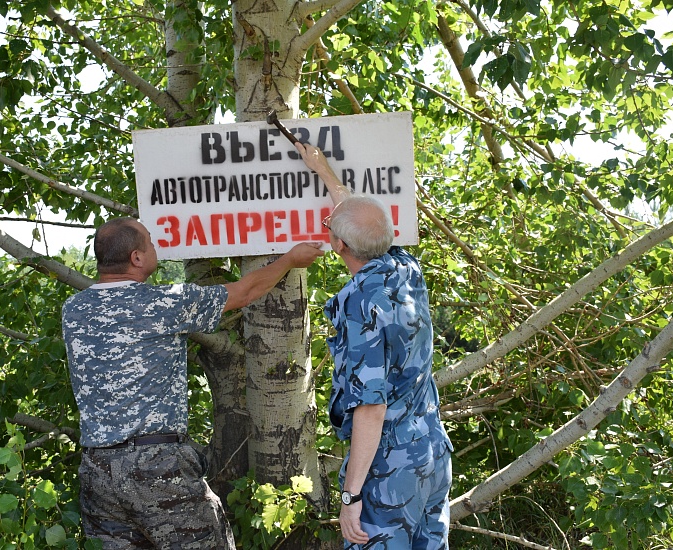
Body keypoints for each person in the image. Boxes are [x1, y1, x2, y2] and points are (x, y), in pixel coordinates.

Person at [61, 217, 324, 550]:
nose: (157, 247)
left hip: (98, 471)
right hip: (158, 465)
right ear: (137, 258)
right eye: (151, 243)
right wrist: (290, 260)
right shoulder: (164, 303)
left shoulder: (74, 309)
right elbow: (245, 292)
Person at [296, 142, 454, 549]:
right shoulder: (404, 267)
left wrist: (350, 498)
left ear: (338, 246)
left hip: (390, 471)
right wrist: (324, 170)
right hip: (432, 454)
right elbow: (361, 224)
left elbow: (370, 406)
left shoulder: (358, 302)